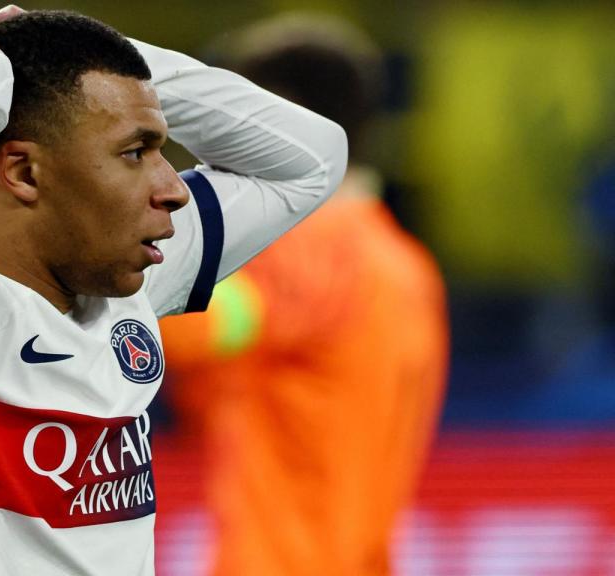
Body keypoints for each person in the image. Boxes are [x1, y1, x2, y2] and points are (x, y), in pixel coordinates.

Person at [0, 5, 346, 575]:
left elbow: (314, 159)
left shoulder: (126, 277)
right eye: (135, 152)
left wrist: (95, 59)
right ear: (25, 173)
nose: (174, 188)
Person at [158, 14, 449, 576]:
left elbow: (168, 323)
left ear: (280, 120)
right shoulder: (405, 263)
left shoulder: (306, 246)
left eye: (230, 116)